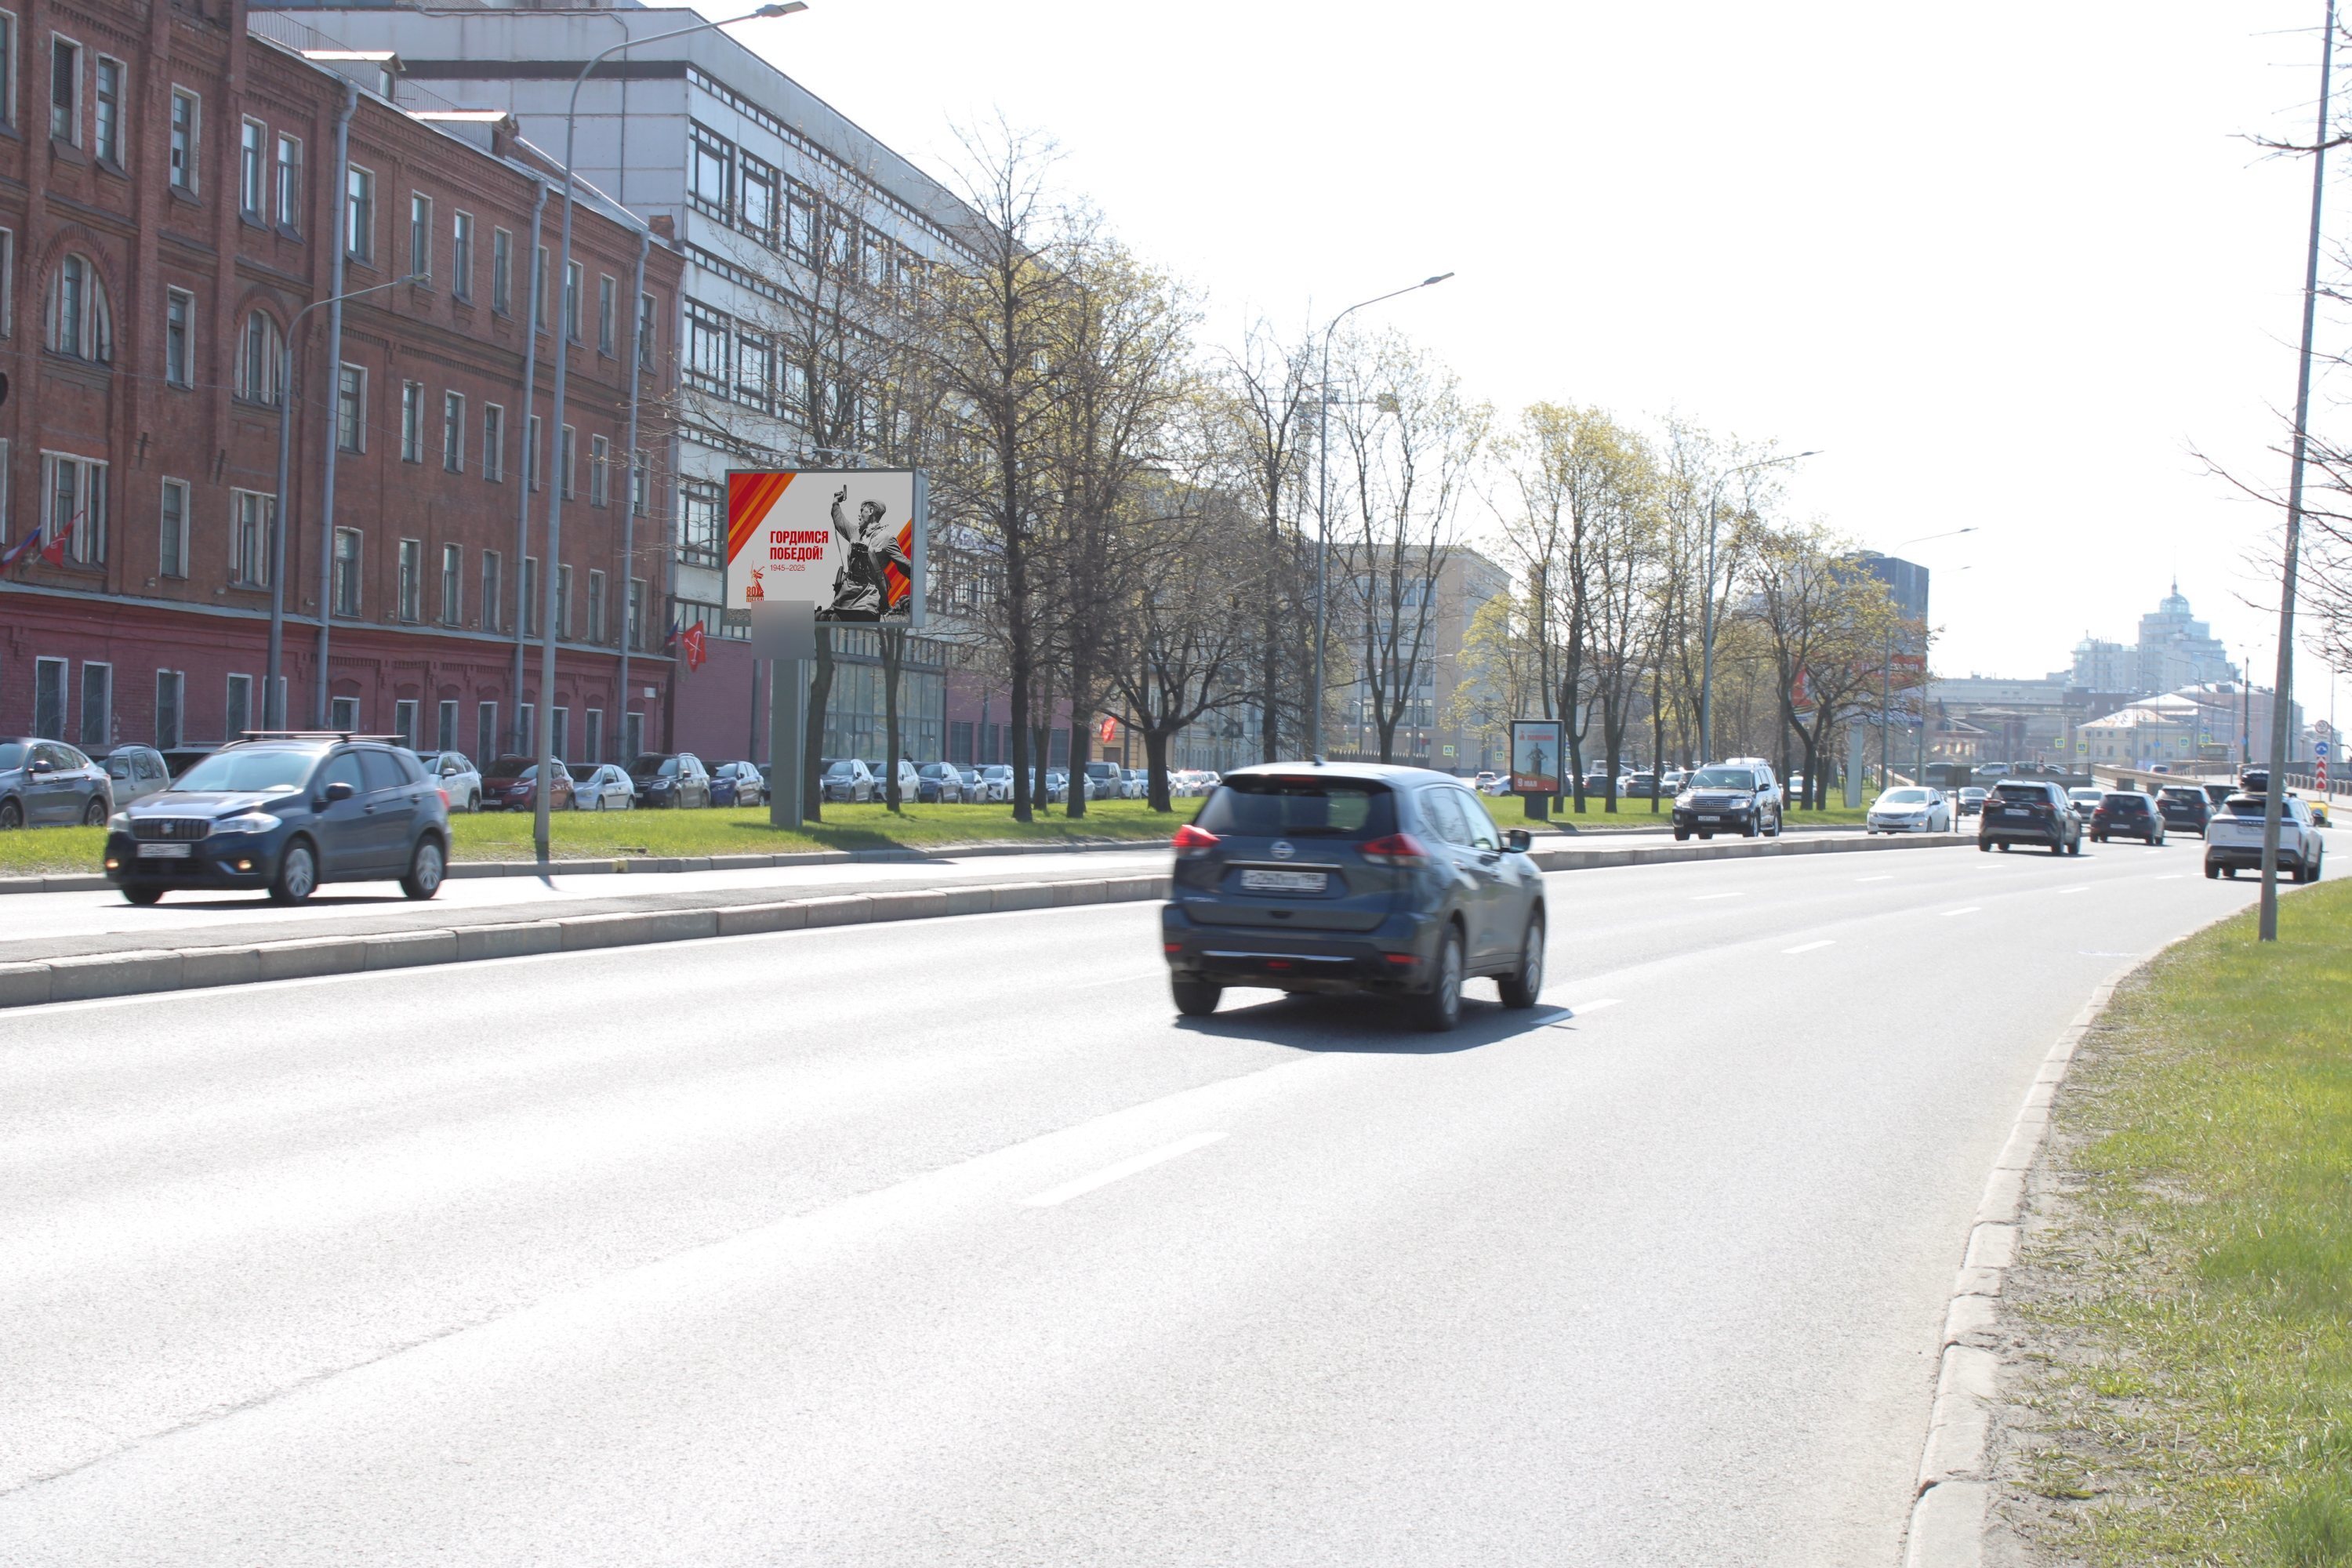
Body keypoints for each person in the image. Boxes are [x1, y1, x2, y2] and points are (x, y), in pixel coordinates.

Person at [821, 485, 910, 622]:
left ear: (871, 511)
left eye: (862, 510)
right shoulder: (855, 532)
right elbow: (840, 522)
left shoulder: (887, 538)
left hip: (867, 601)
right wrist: (835, 502)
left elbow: (906, 566)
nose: (859, 514)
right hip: (844, 598)